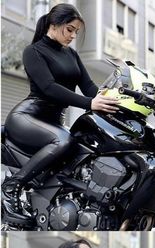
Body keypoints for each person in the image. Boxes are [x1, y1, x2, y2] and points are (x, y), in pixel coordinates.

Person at [2, 3, 119, 220]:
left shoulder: (72, 55)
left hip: (53, 122)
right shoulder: (34, 51)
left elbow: (90, 88)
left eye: (76, 31)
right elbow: (48, 88)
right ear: (54, 25)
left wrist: (115, 99)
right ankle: (11, 186)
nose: (73, 35)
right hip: (27, 118)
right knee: (63, 140)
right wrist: (89, 103)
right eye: (70, 29)